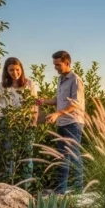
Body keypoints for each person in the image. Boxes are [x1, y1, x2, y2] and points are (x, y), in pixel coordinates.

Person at [41, 50, 85, 194]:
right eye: (54, 65)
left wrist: (57, 113)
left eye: (58, 65)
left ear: (67, 63)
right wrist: (43, 101)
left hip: (73, 123)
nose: (55, 68)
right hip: (62, 122)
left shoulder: (75, 80)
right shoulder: (61, 79)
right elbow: (58, 101)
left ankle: (79, 189)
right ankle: (61, 190)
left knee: (73, 156)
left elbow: (76, 103)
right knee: (62, 157)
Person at [0, 57, 38, 185]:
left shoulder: (29, 83)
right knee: (10, 156)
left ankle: (27, 186)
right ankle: (10, 184)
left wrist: (33, 122)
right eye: (11, 70)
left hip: (26, 123)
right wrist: (7, 121)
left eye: (17, 69)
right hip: (9, 123)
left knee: (27, 156)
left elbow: (34, 104)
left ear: (21, 70)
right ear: (6, 71)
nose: (15, 73)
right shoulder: (2, 86)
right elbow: (1, 107)